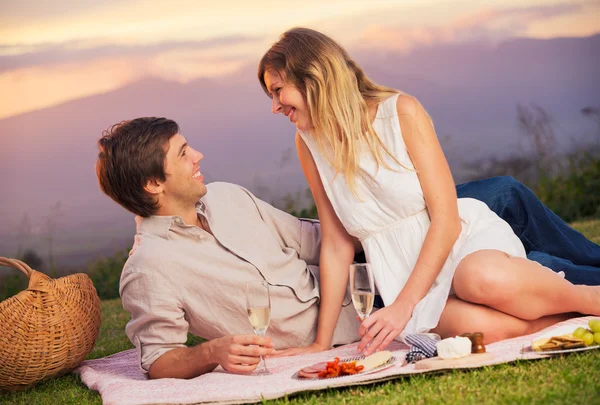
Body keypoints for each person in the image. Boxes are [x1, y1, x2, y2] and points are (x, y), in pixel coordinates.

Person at [96, 117, 599, 380]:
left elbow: (312, 238)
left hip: (367, 262)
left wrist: (380, 220)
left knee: (499, 193)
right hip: (362, 313)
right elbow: (157, 360)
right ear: (152, 185)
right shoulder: (149, 269)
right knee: (502, 284)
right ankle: (580, 288)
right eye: (183, 154)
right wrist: (210, 352)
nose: (198, 155)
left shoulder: (226, 197)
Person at [258, 27, 600, 358]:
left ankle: (589, 298)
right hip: (401, 277)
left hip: (459, 245)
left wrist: (403, 307)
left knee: (480, 279)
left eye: (278, 91)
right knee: (476, 328)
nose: (274, 107)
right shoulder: (308, 144)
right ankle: (571, 320)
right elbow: (336, 243)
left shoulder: (400, 112)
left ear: (314, 78)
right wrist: (322, 342)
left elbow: (447, 220)